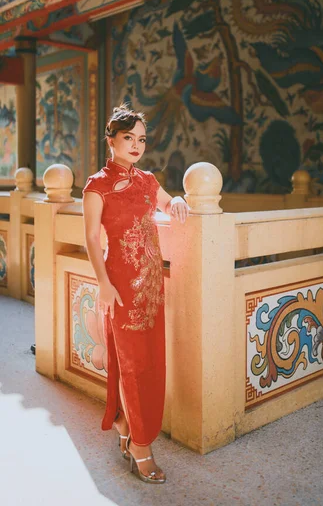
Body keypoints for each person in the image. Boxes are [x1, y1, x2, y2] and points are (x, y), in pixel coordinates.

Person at [82, 105, 189, 483]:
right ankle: (141, 447)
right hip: (120, 288)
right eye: (129, 138)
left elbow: (166, 201)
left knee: (149, 363)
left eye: (141, 139)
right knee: (130, 365)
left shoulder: (146, 180)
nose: (136, 145)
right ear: (111, 140)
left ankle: (127, 426)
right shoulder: (96, 186)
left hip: (152, 288)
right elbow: (92, 239)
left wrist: (175, 200)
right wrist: (104, 284)